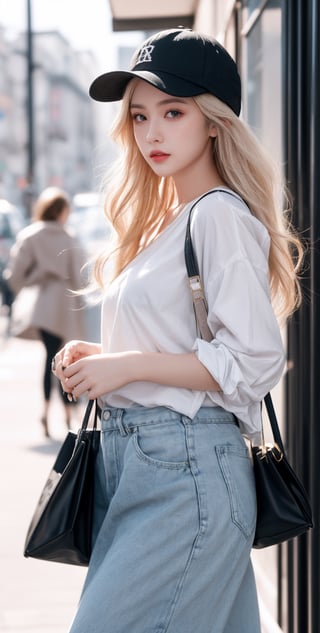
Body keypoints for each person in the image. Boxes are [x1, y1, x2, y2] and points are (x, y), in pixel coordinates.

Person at [53, 29, 303, 633]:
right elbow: (181, 344)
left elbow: (253, 359)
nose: (152, 133)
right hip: (142, 467)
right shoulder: (171, 223)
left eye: (173, 111)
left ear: (214, 121)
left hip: (185, 470)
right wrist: (104, 358)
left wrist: (130, 365)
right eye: (139, 116)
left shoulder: (218, 214)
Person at [5, 187, 86, 437]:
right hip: (65, 305)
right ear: (61, 211)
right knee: (66, 361)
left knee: (49, 359)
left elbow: (14, 275)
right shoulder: (69, 238)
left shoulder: (30, 236)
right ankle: (68, 415)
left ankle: (45, 410)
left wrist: (33, 281)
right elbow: (80, 278)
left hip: (41, 307)